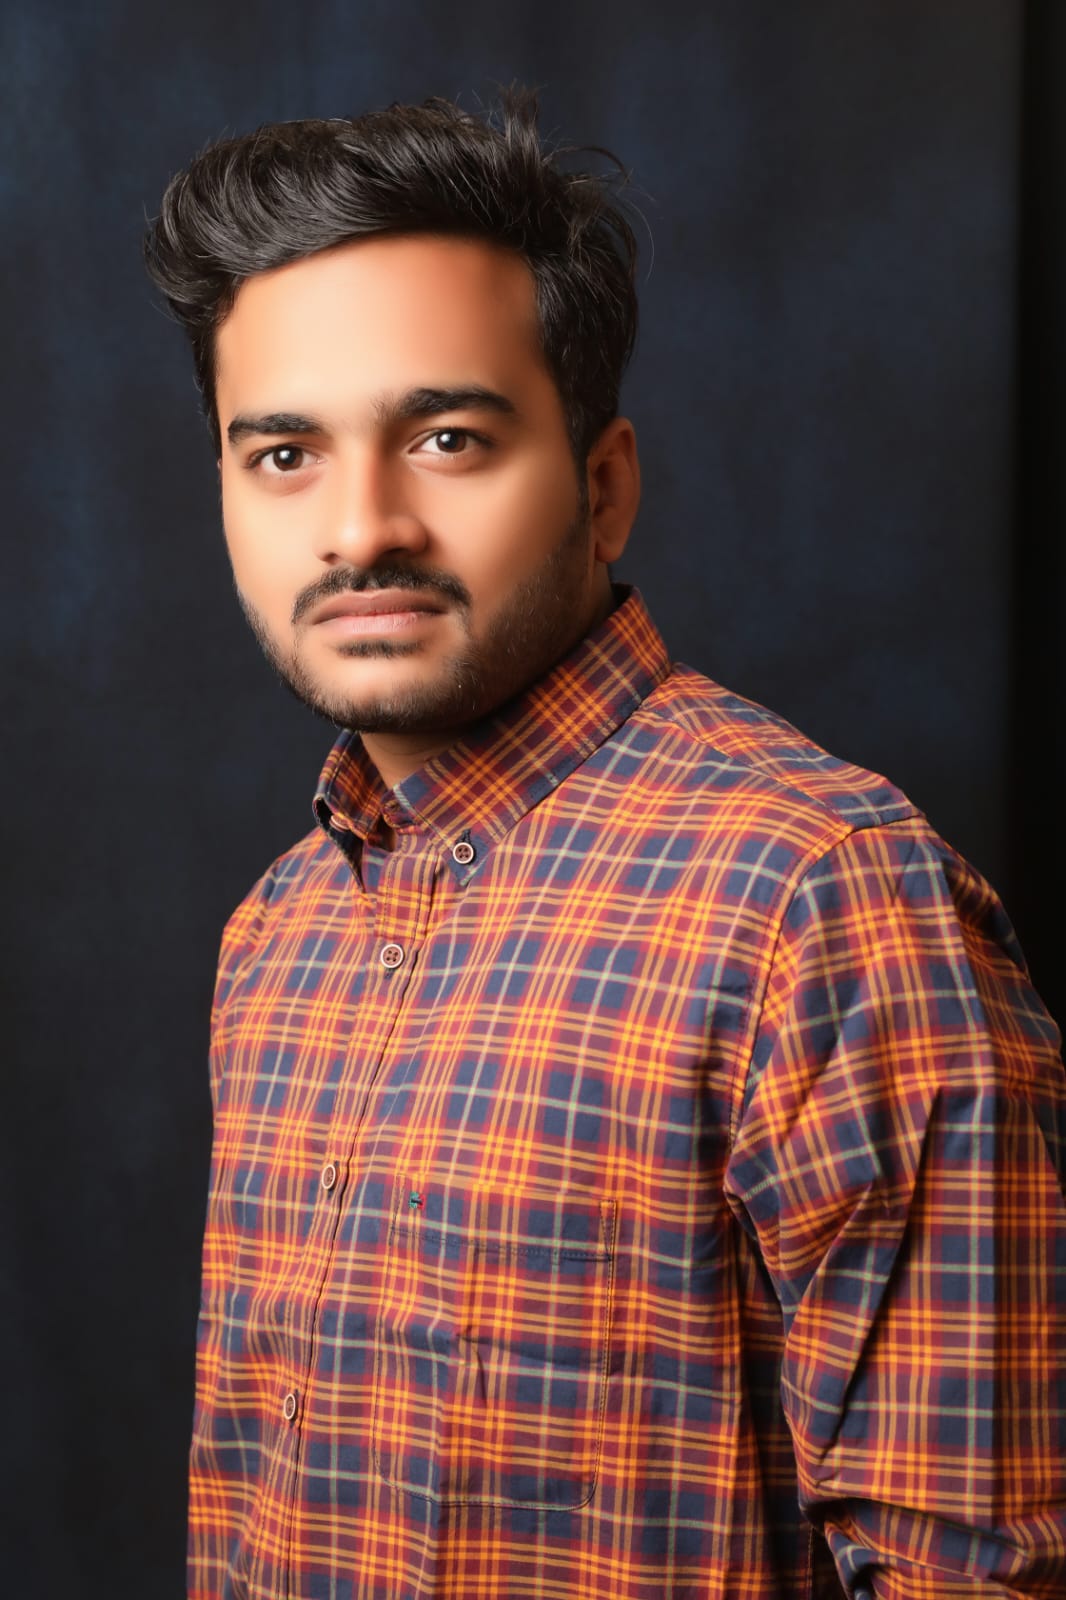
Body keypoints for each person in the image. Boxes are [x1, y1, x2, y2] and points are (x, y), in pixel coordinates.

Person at [144, 92, 1066, 1600]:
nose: (361, 528)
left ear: (606, 484)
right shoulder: (280, 931)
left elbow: (975, 1567)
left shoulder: (819, 897)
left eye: (448, 438)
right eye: (285, 453)